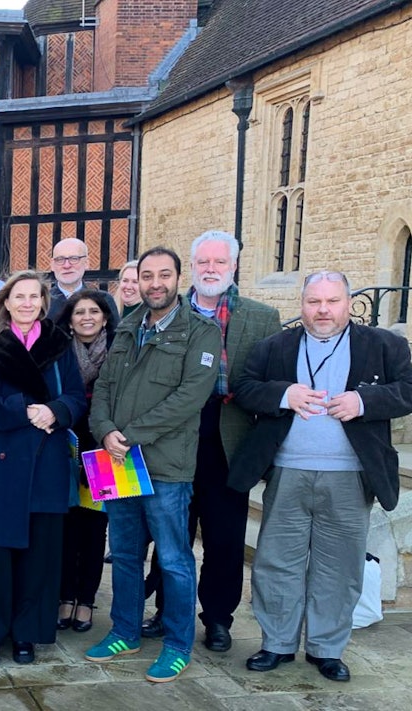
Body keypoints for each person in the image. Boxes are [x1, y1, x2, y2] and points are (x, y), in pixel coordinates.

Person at [230, 270, 412, 683]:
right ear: (303, 305)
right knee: (277, 562)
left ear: (348, 303)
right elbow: (244, 387)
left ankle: (326, 649)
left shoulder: (384, 345)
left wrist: (365, 400)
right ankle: (276, 643)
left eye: (332, 301)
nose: (323, 310)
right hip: (288, 471)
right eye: (315, 302)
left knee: (340, 566)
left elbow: (408, 389)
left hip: (349, 475)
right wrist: (284, 394)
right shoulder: (275, 347)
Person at [84, 247, 220, 683]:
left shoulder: (200, 331)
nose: (155, 282)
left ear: (180, 278)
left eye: (164, 274)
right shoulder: (126, 325)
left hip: (164, 465)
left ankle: (178, 644)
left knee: (175, 559)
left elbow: (190, 397)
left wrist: (131, 434)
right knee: (124, 553)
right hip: (116, 459)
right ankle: (124, 630)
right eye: (147, 275)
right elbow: (103, 386)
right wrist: (105, 431)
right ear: (138, 280)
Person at [141, 232, 281, 652]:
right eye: (203, 262)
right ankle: (168, 612)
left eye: (220, 262)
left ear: (234, 266)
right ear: (192, 265)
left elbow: (270, 385)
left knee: (224, 535)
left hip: (229, 435)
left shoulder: (261, 318)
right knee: (171, 529)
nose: (211, 269)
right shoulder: (167, 312)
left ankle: (218, 617)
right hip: (174, 434)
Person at [0, 273, 87, 667]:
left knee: (40, 554)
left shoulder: (60, 345)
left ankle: (26, 633)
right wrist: (25, 410)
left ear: (42, 301)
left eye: (33, 296)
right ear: (7, 301)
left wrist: (55, 410)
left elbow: (75, 395)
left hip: (47, 461)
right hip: (0, 465)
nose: (26, 303)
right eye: (19, 296)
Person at [55, 290, 115, 635]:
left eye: (94, 311)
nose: (87, 317)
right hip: (66, 447)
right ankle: (65, 595)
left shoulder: (119, 352)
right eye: (80, 312)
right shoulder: (60, 352)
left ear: (105, 317)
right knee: (66, 527)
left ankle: (86, 599)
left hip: (104, 451)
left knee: (94, 531)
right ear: (71, 318)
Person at [45, 238, 118, 328]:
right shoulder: (42, 302)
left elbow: (115, 339)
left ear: (86, 262)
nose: (67, 265)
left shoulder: (104, 300)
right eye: (60, 259)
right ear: (52, 264)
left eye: (74, 259)